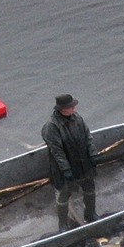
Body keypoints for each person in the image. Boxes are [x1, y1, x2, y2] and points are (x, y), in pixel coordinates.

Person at [42, 93, 98, 229]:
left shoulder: (77, 118)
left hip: (82, 162)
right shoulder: (52, 126)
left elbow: (87, 137)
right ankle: (63, 225)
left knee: (89, 188)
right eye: (71, 106)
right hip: (63, 167)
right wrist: (66, 169)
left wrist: (92, 153)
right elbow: (57, 151)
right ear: (62, 109)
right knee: (63, 195)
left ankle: (91, 215)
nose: (74, 108)